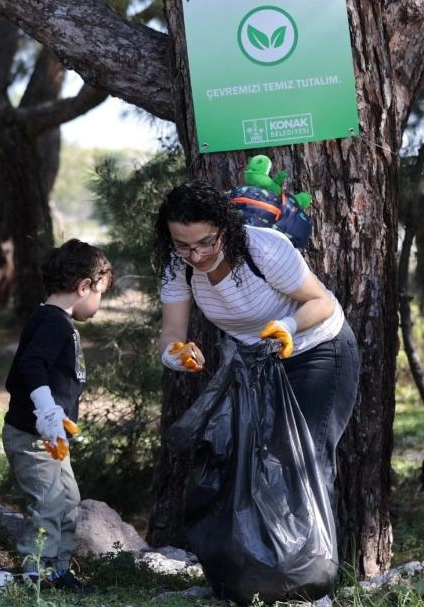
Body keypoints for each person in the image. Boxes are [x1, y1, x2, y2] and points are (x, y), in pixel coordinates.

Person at [154, 179, 359, 480]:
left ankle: (311, 528)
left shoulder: (263, 249)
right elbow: (172, 332)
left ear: (224, 228)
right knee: (256, 463)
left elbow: (322, 302)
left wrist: (288, 326)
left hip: (317, 349)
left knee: (303, 462)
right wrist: (174, 354)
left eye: (206, 242)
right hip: (260, 362)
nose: (196, 256)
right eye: (183, 245)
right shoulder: (178, 266)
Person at [2, 239, 111, 595]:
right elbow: (32, 366)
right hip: (33, 437)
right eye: (101, 293)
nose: (100, 303)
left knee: (68, 500)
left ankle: (57, 570)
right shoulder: (52, 322)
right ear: (84, 287)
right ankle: (37, 574)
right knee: (49, 503)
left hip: (49, 440)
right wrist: (47, 409)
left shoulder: (56, 321)